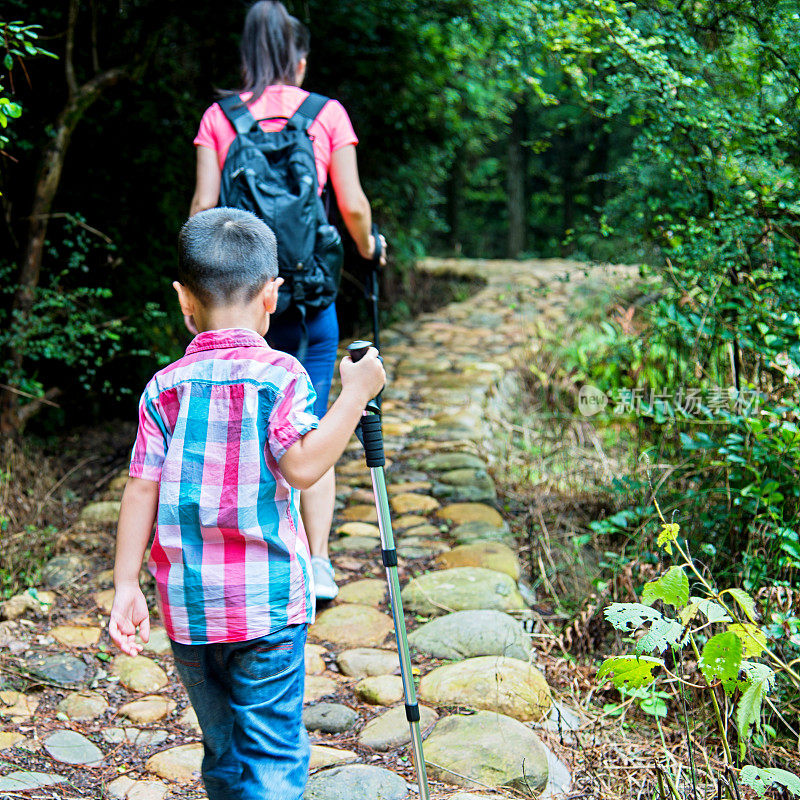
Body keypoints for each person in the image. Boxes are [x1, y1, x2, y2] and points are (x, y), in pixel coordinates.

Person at [108, 208, 385, 800]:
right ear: (272, 295)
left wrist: (125, 584)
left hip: (190, 609)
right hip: (269, 603)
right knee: (273, 754)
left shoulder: (164, 386)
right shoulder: (281, 375)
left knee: (224, 750)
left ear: (184, 299)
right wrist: (356, 395)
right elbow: (305, 465)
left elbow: (140, 487)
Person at [189, 0, 386, 601]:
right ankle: (317, 563)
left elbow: (202, 212)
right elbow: (351, 206)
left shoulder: (219, 119)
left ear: (246, 57)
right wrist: (370, 246)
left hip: (239, 300)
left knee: (235, 419)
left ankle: (236, 556)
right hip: (308, 296)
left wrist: (200, 292)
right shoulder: (327, 114)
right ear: (298, 58)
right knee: (311, 419)